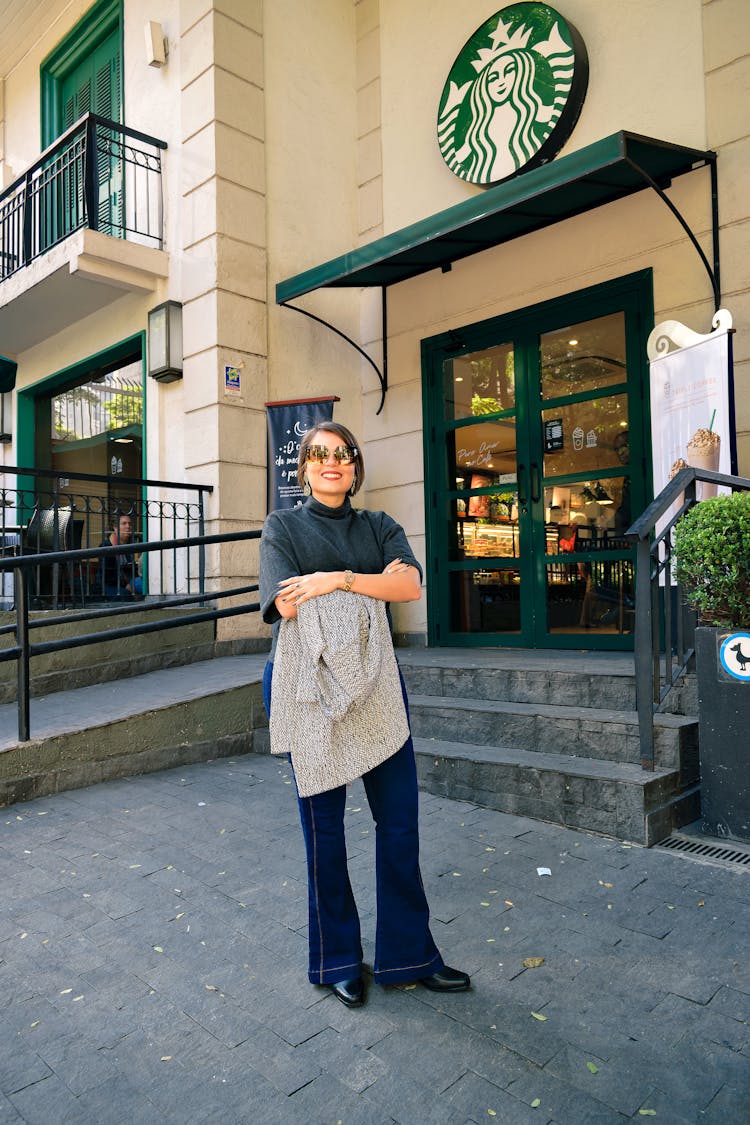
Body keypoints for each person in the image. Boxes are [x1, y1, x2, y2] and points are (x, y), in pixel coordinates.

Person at [259, 422, 470, 1009]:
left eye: (342, 454)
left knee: (399, 824)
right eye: (318, 455)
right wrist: (369, 584)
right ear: (303, 469)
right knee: (324, 833)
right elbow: (283, 599)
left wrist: (335, 579)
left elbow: (410, 588)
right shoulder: (282, 527)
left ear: (355, 467)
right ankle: (338, 960)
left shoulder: (378, 525)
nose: (331, 463)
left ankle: (410, 956)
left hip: (377, 687)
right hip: (309, 690)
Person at [99, 513, 142, 599]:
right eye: (124, 523)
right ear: (115, 528)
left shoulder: (129, 544)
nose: (128, 526)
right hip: (109, 585)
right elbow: (109, 575)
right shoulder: (106, 546)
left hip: (127, 582)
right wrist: (127, 586)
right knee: (126, 595)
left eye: (129, 524)